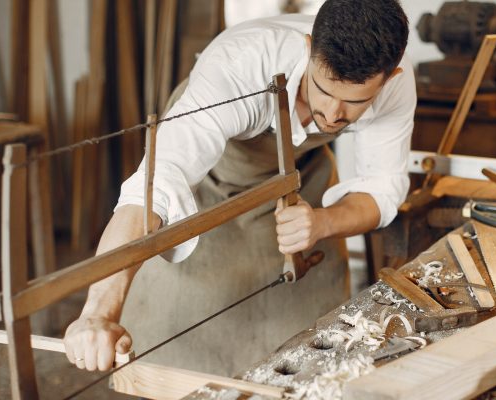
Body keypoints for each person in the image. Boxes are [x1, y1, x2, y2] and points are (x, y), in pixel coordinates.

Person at [63, 0, 415, 376]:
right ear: (309, 49)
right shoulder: (239, 64)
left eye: (354, 103)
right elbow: (155, 185)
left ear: (389, 78)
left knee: (311, 346)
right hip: (210, 179)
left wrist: (323, 223)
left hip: (298, 174)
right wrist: (98, 312)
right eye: (323, 91)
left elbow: (383, 188)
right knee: (180, 318)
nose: (332, 115)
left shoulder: (396, 83)